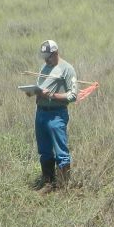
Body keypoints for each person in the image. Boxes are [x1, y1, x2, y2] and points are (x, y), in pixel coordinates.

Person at [33, 39, 78, 190]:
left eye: (48, 57)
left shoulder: (67, 69)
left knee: (61, 152)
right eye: (44, 57)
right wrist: (34, 92)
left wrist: (52, 96)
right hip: (41, 112)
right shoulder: (44, 67)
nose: (46, 60)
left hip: (57, 115)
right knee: (44, 150)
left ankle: (64, 186)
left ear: (56, 53)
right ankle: (48, 183)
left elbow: (73, 95)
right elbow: (40, 87)